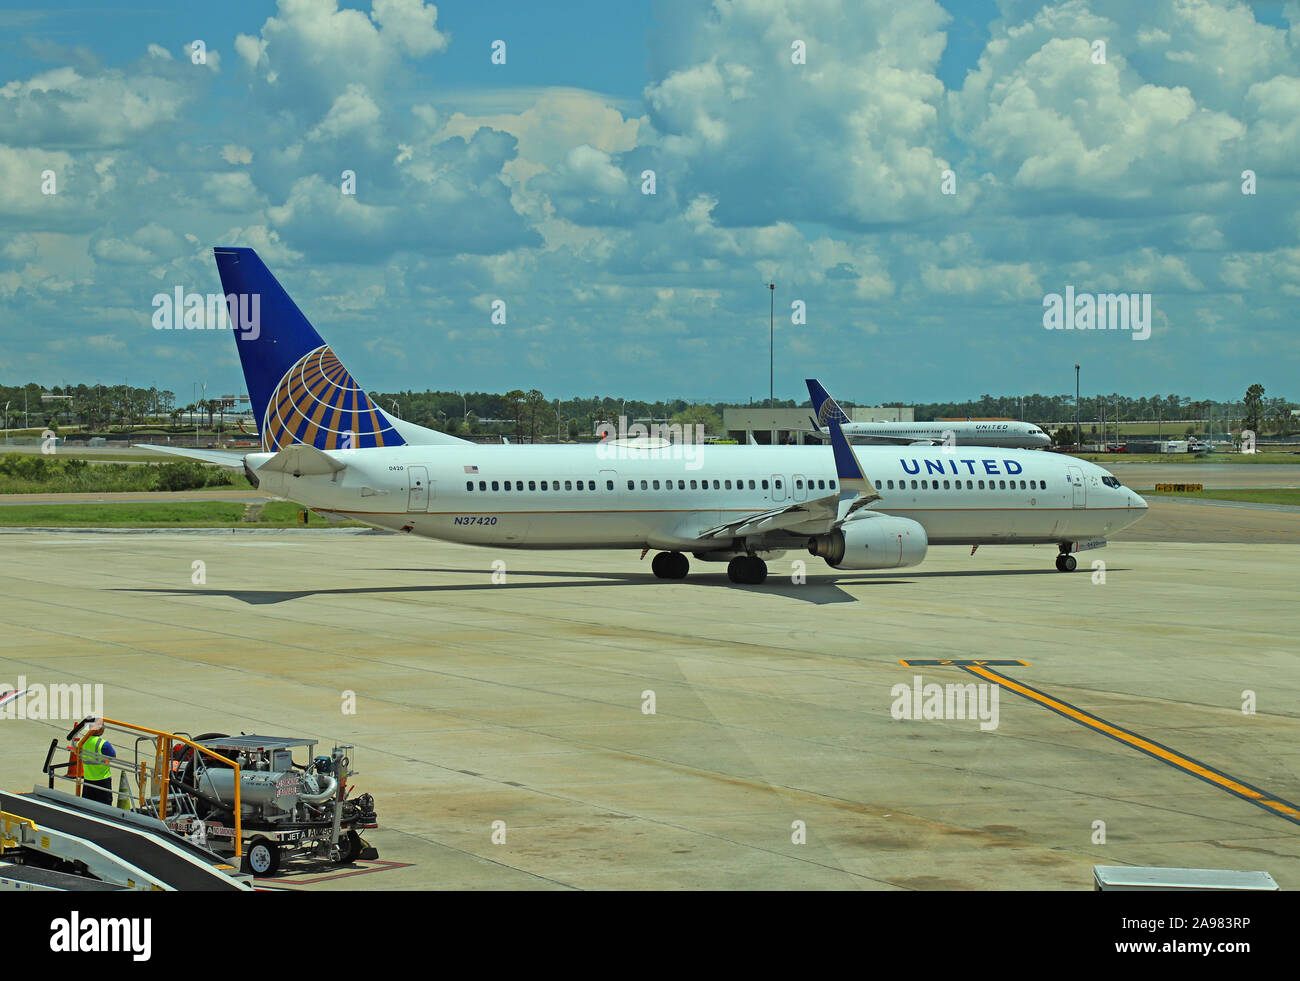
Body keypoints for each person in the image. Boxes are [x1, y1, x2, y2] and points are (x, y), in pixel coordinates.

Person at [79, 719, 117, 805]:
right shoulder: (103, 744)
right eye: (103, 726)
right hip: (103, 780)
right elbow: (113, 756)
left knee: (88, 806)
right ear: (98, 728)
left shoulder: (82, 742)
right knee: (105, 807)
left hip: (88, 780)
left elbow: (78, 752)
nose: (104, 728)